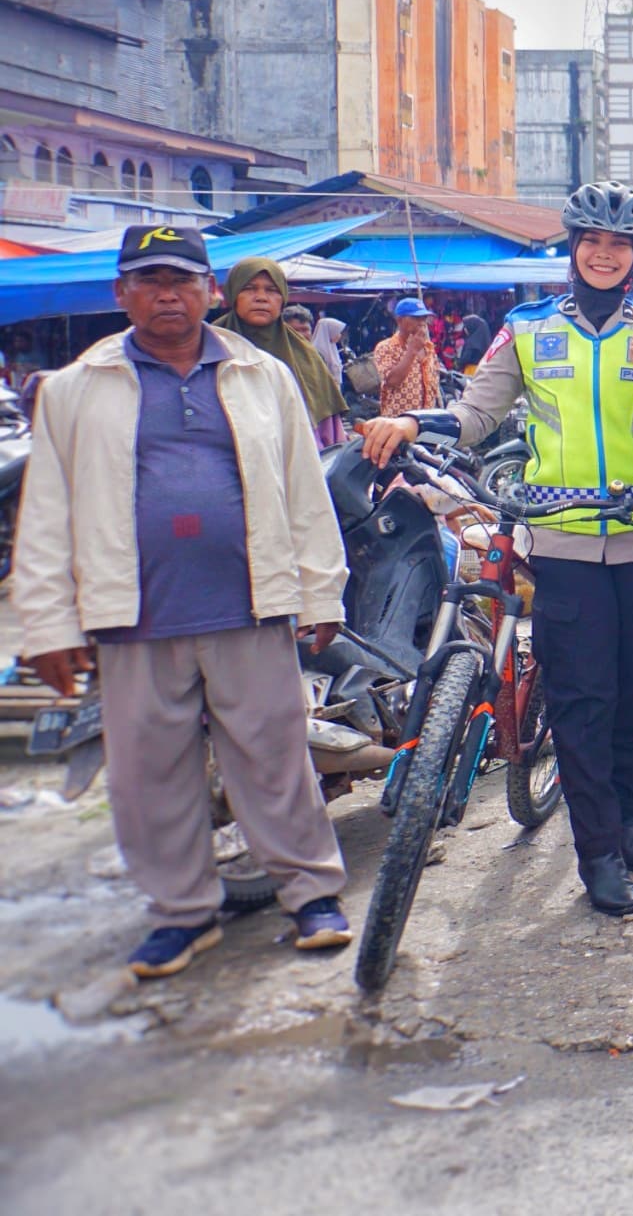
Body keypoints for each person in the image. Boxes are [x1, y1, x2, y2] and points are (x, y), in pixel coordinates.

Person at [16, 225, 354, 977]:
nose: (167, 294)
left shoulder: (262, 375)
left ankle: (310, 895)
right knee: (149, 776)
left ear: (208, 290)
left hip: (250, 603)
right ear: (121, 293)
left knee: (275, 760)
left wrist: (319, 589)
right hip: (134, 615)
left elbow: (305, 492)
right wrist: (47, 625)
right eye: (148, 280)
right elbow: (46, 517)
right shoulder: (77, 387)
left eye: (182, 279)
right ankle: (181, 913)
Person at [359, 181, 633, 918]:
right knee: (581, 701)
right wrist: (416, 426)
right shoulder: (527, 329)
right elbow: (477, 414)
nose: (604, 254)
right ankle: (597, 853)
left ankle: (631, 818)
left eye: (619, 244)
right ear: (573, 248)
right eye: (592, 241)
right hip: (563, 546)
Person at [213, 255, 348, 446]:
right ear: (234, 293)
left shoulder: (307, 357)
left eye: (271, 290)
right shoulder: (209, 346)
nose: (261, 297)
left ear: (283, 298)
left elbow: (330, 436)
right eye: (249, 288)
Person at [371, 298, 443, 418]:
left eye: (424, 318)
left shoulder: (428, 347)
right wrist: (412, 351)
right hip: (398, 421)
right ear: (399, 320)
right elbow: (392, 381)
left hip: (425, 421)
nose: (421, 323)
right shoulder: (386, 347)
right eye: (416, 318)